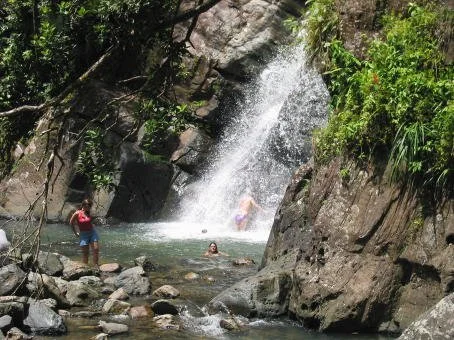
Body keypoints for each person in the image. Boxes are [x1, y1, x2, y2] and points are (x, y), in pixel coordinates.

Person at [69, 198, 100, 267]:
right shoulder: (77, 213)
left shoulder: (90, 213)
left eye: (89, 207)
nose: (88, 208)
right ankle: (85, 267)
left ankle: (96, 266)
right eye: (86, 206)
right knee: (85, 253)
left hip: (92, 233)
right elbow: (71, 223)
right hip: (83, 235)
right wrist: (75, 233)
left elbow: (90, 223)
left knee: (96, 249)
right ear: (83, 206)